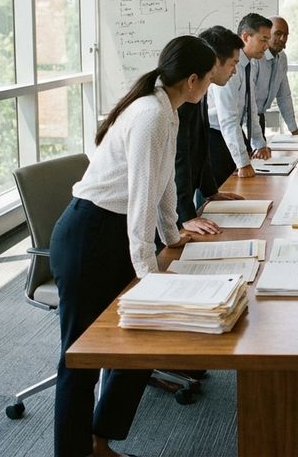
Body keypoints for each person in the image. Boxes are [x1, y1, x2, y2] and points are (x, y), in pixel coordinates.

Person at [49, 36, 223, 457]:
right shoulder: (149, 115)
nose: (211, 87)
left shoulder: (168, 111)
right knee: (81, 356)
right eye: (209, 79)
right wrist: (149, 274)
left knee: (141, 340)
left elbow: (165, 185)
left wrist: (174, 235)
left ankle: (100, 439)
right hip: (89, 235)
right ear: (193, 80)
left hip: (117, 232)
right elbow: (141, 198)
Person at [171, 26, 246, 227]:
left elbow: (200, 148)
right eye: (233, 64)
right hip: (166, 213)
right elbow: (180, 159)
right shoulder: (185, 94)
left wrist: (211, 192)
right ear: (215, 61)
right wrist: (187, 217)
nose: (235, 71)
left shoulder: (201, 90)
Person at [207, 13, 272, 186]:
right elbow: (228, 119)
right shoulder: (229, 66)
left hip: (231, 134)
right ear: (245, 37)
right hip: (216, 136)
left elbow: (251, 108)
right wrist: (243, 163)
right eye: (263, 40)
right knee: (220, 191)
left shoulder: (249, 64)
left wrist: (260, 144)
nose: (267, 46)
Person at [254, 16, 298, 140]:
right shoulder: (256, 57)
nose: (283, 39)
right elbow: (247, 100)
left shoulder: (282, 58)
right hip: (244, 119)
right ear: (267, 34)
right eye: (278, 34)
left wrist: (294, 129)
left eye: (286, 35)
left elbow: (284, 95)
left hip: (259, 117)